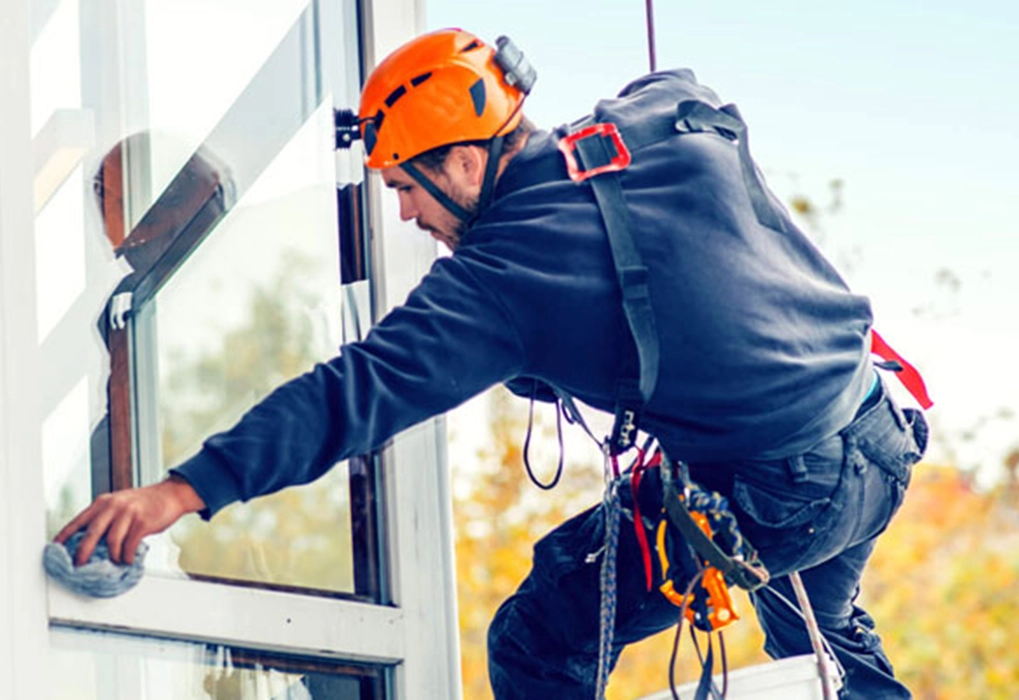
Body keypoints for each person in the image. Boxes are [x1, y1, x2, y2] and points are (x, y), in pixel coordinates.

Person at [55, 28, 928, 698]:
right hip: (879, 438)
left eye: (404, 187)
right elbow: (684, 93)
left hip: (782, 494)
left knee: (537, 638)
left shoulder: (504, 276)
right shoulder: (640, 126)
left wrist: (180, 490)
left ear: (466, 161)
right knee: (824, 638)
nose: (403, 216)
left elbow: (357, 390)